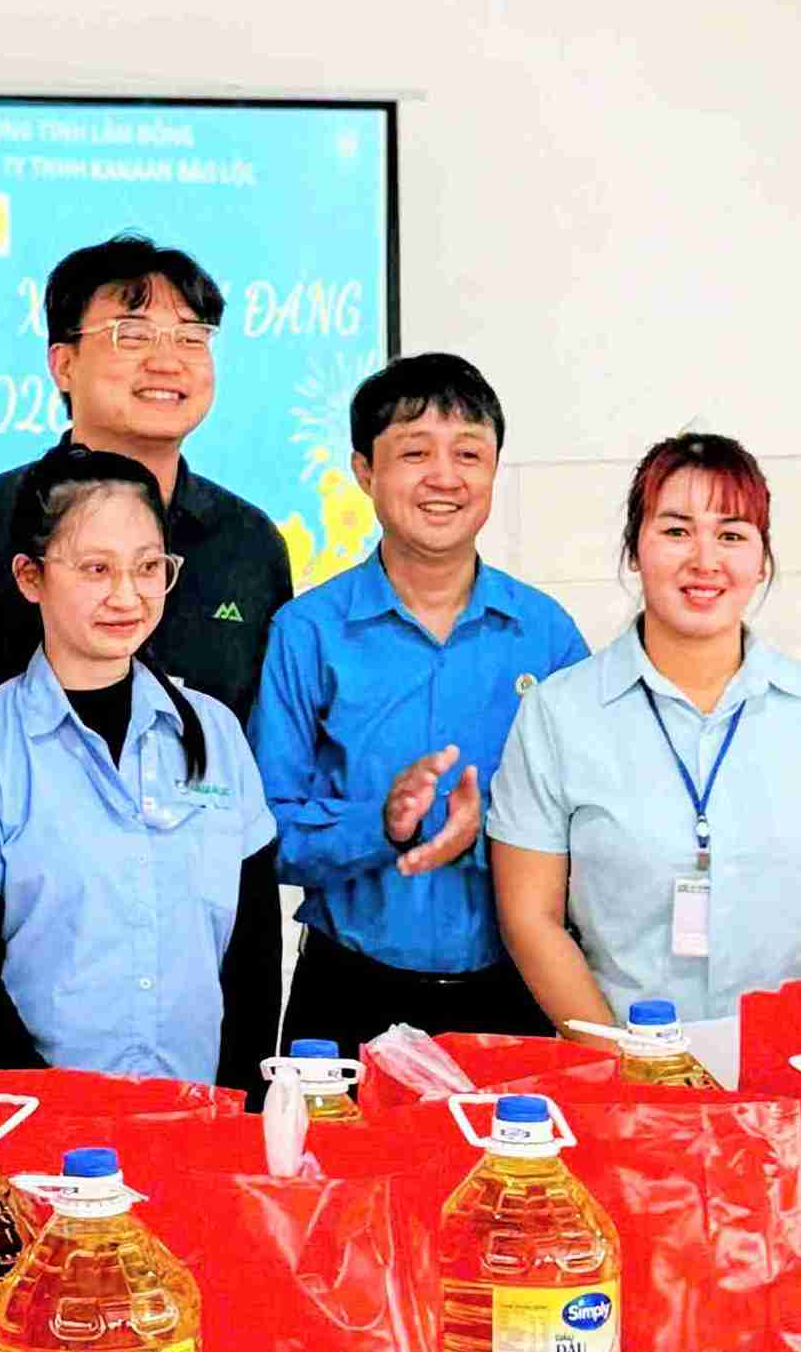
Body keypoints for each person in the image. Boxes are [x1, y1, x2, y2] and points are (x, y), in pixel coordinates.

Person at [489, 433, 801, 1026]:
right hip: (622, 1064)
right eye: (676, 530)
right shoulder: (558, 715)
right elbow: (530, 918)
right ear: (635, 549)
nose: (704, 561)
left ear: (762, 562)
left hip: (789, 1062)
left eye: (732, 535)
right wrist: (624, 1063)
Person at [0, 445, 283, 1090]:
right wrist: (53, 1116)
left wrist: (240, 1104)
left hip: (202, 1113)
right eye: (96, 569)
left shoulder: (215, 731)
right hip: (41, 1128)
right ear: (30, 577)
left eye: (148, 567)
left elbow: (252, 949)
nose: (127, 596)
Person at [249, 355, 588, 1056]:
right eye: (414, 452)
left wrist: (491, 827)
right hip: (347, 993)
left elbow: (596, 815)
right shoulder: (307, 632)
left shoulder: (547, 634)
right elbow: (264, 832)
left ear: (494, 471)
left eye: (468, 453)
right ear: (365, 471)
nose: (444, 476)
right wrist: (384, 823)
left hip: (515, 988)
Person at [0, 233, 293, 732]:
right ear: (63, 364)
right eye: (132, 336)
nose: (167, 361)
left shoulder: (248, 542)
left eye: (191, 338)